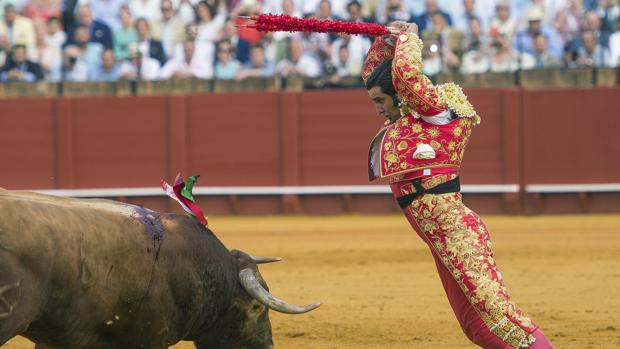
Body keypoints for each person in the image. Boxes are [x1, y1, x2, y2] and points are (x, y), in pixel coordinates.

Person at [362, 21, 554, 349]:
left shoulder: (435, 111)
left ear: (399, 95)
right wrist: (385, 40)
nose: (378, 108)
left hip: (457, 235)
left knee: (500, 315)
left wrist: (409, 37)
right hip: (441, 238)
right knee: (476, 326)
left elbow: (406, 77)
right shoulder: (409, 116)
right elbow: (373, 74)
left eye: (381, 100)